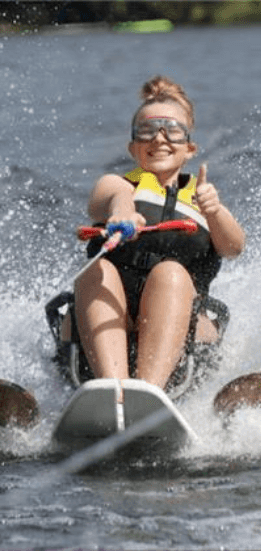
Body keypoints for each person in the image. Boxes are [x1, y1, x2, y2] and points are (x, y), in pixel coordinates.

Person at [74, 75, 244, 391]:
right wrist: (122, 210)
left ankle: (147, 393)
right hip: (105, 333)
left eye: (173, 130)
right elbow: (108, 197)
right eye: (147, 130)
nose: (159, 138)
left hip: (180, 340)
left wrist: (215, 212)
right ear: (133, 147)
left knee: (170, 273)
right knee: (94, 270)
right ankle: (113, 390)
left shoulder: (203, 198)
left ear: (190, 148)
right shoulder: (117, 186)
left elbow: (234, 247)